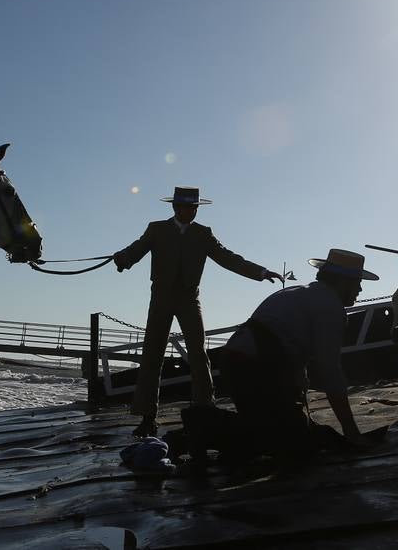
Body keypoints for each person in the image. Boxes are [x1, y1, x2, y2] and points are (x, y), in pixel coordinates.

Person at [114, 186, 279, 437]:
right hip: (160, 298)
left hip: (190, 299)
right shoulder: (156, 229)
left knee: (199, 354)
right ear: (175, 207)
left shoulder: (203, 234)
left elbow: (227, 258)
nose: (191, 211)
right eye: (187, 207)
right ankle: (147, 417)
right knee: (151, 355)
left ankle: (205, 407)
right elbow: (137, 248)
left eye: (194, 208)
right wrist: (123, 259)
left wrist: (260, 272)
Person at [210, 248, 376, 463]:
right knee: (295, 446)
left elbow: (287, 340)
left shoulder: (295, 293)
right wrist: (351, 432)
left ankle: (231, 429)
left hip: (235, 361)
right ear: (343, 282)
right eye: (357, 283)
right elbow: (330, 372)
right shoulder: (330, 308)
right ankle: (207, 427)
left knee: (268, 423)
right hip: (255, 366)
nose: (360, 289)